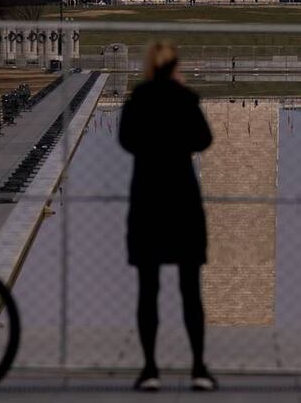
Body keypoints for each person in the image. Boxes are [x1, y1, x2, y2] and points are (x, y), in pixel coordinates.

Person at [118, 41, 217, 392]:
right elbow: (204, 139)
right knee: (190, 290)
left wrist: (152, 146)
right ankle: (199, 369)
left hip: (147, 199)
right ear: (175, 65)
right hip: (182, 199)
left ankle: (149, 369)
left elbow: (126, 142)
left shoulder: (137, 101)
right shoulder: (185, 100)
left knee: (149, 290)